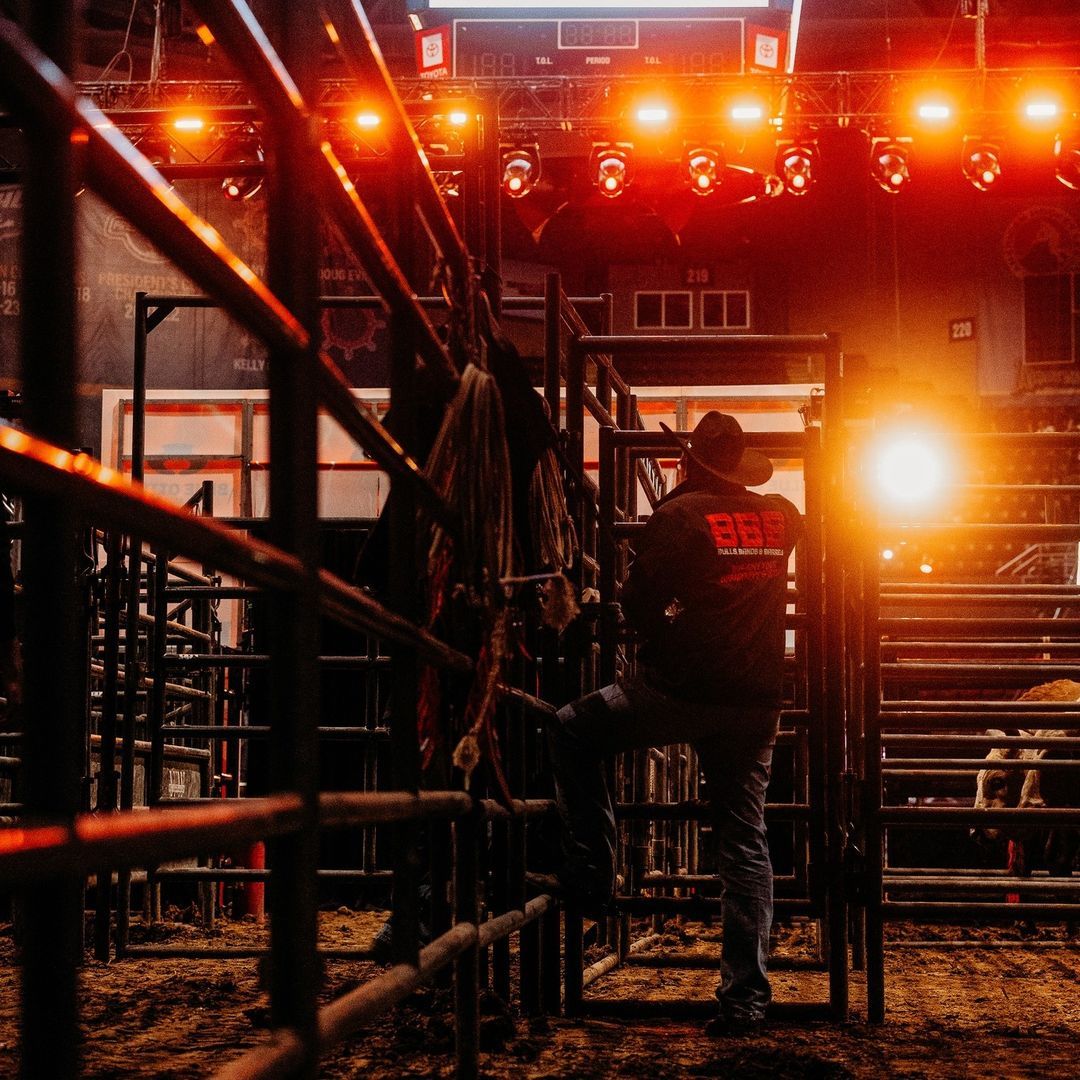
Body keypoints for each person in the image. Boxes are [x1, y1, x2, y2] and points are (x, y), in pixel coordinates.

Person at [543, 411, 802, 1036]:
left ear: (688, 465)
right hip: (757, 699)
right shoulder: (784, 515)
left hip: (681, 690)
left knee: (572, 726)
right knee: (745, 838)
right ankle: (746, 998)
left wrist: (673, 627)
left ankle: (595, 862)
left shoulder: (678, 517)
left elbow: (638, 602)